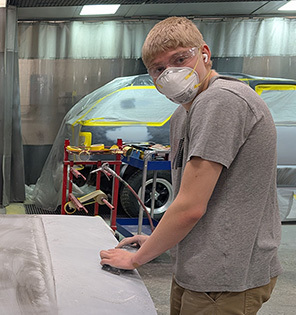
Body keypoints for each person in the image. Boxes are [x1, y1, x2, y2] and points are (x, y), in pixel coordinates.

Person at [99, 17, 281, 314]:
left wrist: (137, 258)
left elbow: (190, 206)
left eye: (180, 59)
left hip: (225, 277)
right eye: (159, 69)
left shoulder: (221, 101)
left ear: (205, 53)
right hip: (198, 266)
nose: (171, 73)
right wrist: (156, 241)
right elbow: (197, 198)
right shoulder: (184, 114)